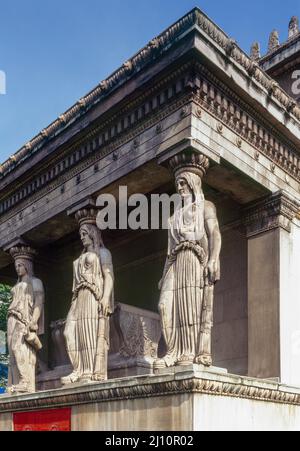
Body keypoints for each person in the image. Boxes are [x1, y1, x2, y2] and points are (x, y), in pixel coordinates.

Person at [156, 165, 221, 368]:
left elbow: (215, 234)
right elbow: (169, 252)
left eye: (183, 183)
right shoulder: (173, 217)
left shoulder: (206, 206)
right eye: (178, 184)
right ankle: (173, 350)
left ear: (193, 184)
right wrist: (164, 274)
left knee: (190, 307)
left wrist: (213, 259)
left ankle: (188, 352)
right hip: (176, 260)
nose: (180, 187)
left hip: (195, 258)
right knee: (164, 305)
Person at [62, 222, 114, 384]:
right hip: (78, 297)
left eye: (85, 234)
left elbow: (109, 276)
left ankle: (89, 371)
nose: (82, 238)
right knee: (69, 332)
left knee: (89, 333)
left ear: (92, 234)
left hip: (93, 296)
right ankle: (78, 369)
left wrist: (105, 298)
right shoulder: (79, 259)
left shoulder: (103, 253)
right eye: (81, 235)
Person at [7, 251, 44, 393]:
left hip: (23, 320)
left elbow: (39, 303)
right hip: (11, 319)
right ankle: (17, 382)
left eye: (20, 265)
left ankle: (26, 381)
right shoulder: (17, 285)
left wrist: (34, 320)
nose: (18, 268)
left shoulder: (35, 282)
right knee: (12, 353)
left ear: (27, 266)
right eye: (16, 265)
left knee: (18, 347)